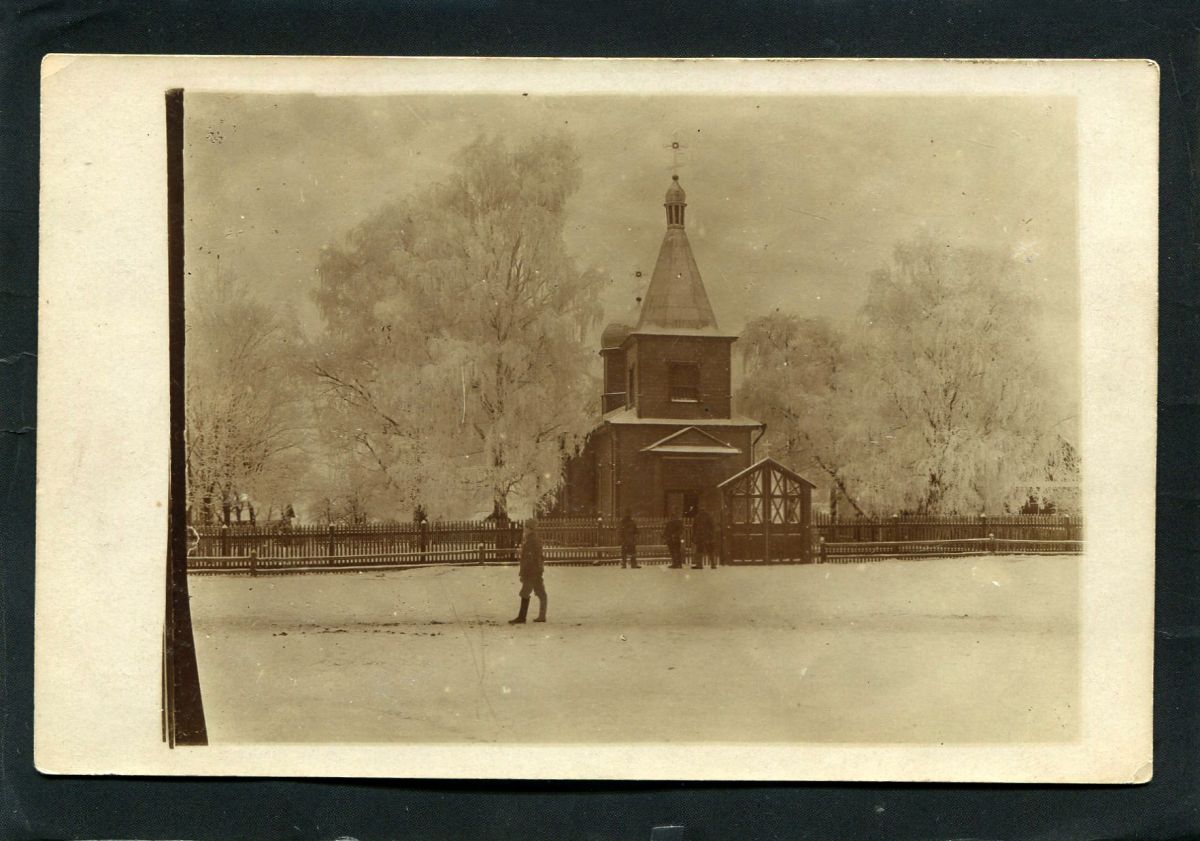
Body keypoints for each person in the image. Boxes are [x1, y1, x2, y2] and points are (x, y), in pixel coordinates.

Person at [509, 521, 547, 624]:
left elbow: (529, 558)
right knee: (541, 593)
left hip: (531, 571)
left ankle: (522, 618)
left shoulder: (531, 540)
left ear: (530, 528)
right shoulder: (533, 539)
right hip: (536, 570)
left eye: (525, 527)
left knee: (525, 593)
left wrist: (524, 572)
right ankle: (542, 616)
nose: (524, 529)